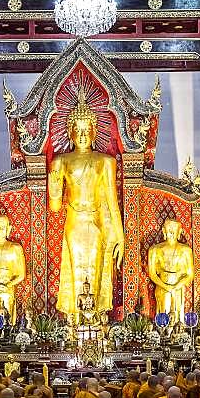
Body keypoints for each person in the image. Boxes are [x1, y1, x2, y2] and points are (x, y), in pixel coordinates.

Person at [47, 100, 125, 322]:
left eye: (86, 130)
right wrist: (54, 188)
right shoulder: (61, 161)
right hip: (74, 223)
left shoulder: (105, 161)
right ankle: (74, 319)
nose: (82, 135)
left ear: (94, 131)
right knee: (75, 268)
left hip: (96, 222)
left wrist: (119, 236)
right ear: (70, 133)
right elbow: (54, 208)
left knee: (97, 267)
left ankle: (96, 317)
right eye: (78, 130)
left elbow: (111, 200)